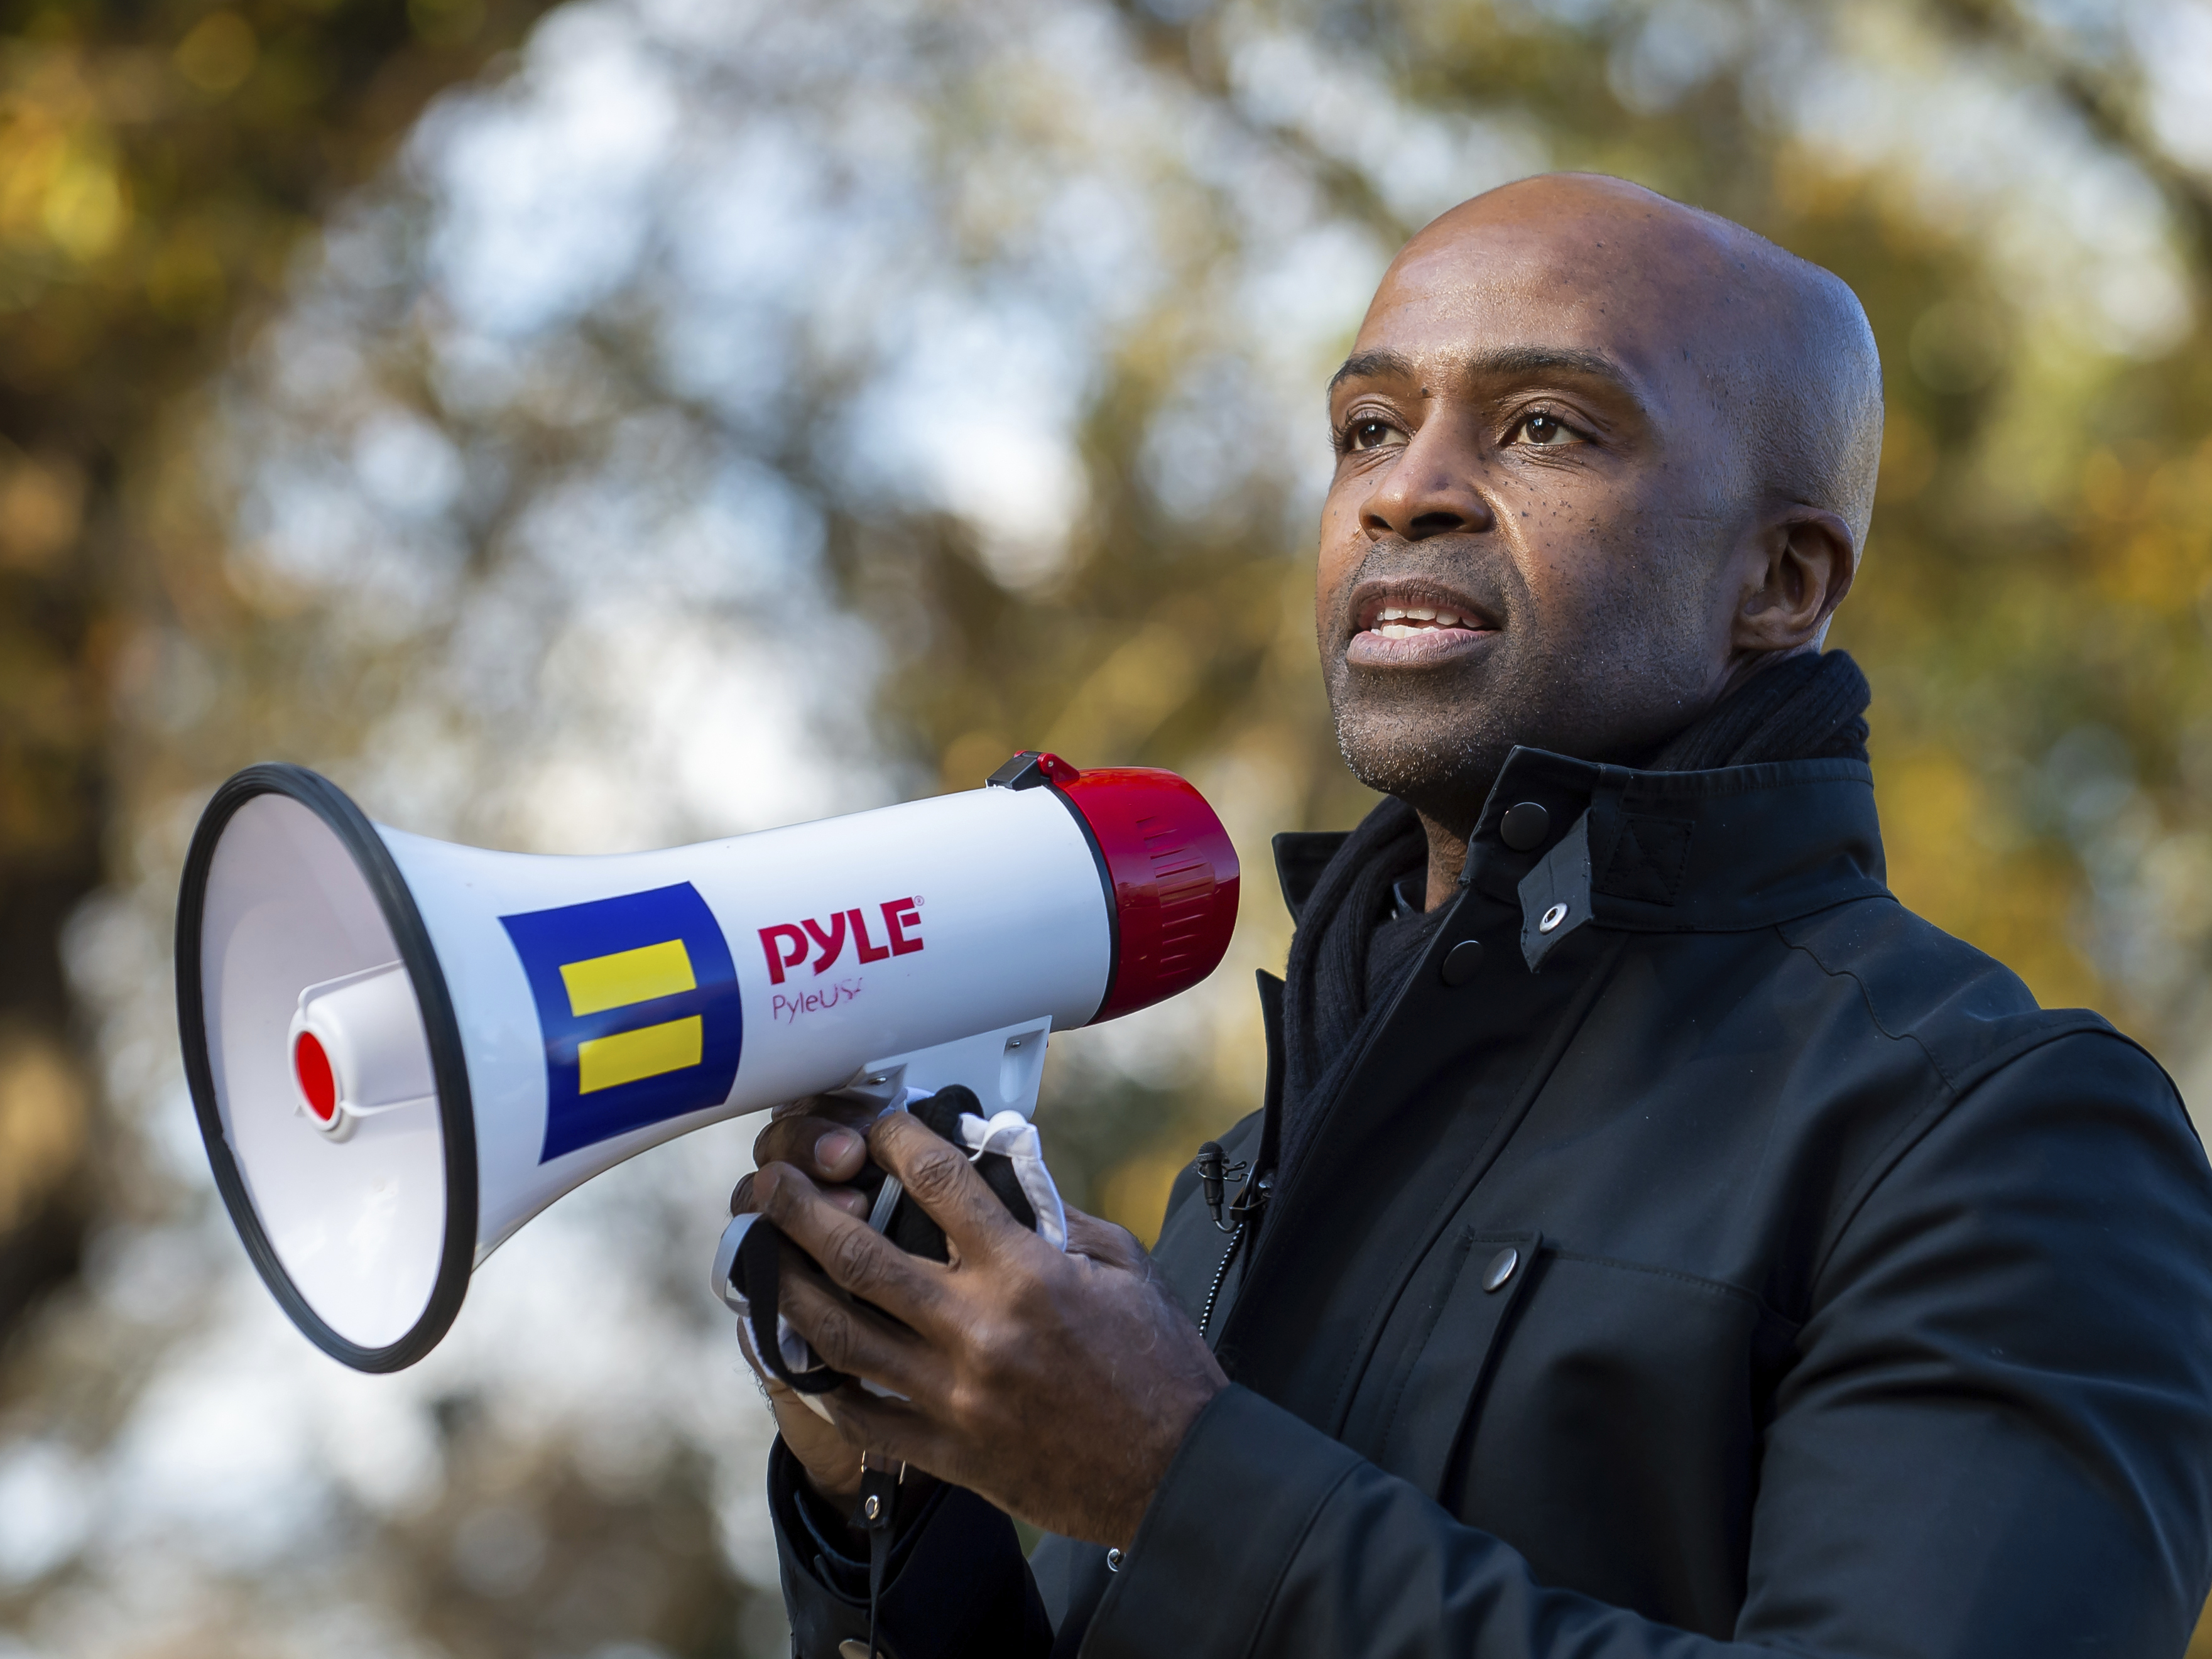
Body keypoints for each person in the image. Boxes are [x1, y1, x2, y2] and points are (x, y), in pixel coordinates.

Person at [729, 173, 2212, 1657]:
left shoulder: (2002, 1134)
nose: (1404, 488)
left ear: (1780, 579)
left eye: (1545, 426)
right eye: (1368, 428)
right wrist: (896, 1477)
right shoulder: (1240, 1179)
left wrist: (1181, 1480)